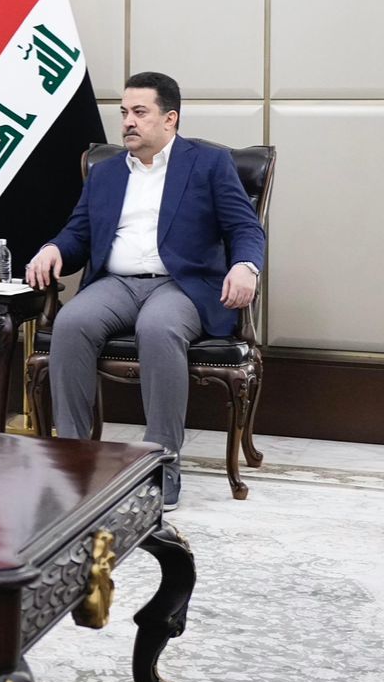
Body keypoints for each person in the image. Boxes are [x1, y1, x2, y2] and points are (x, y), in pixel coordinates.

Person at [25, 71, 264, 509]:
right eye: (123, 113)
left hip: (181, 285)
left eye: (139, 112)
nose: (128, 122)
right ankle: (74, 458)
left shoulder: (208, 163)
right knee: (71, 323)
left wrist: (246, 266)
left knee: (158, 328)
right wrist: (53, 248)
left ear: (170, 118)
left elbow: (245, 228)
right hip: (116, 283)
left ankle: (162, 464)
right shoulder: (106, 172)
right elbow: (77, 234)